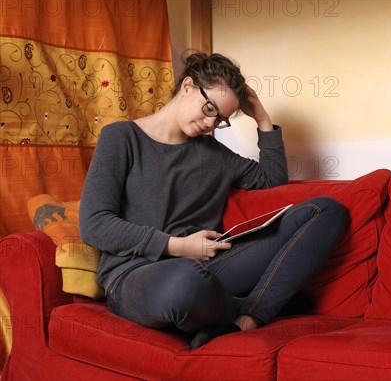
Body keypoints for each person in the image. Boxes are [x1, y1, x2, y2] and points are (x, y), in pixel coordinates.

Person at [79, 52, 349, 349]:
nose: (211, 123)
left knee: (326, 210)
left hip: (210, 267)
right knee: (185, 282)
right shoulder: (121, 138)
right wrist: (178, 246)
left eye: (220, 119)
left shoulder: (216, 156)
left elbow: (273, 179)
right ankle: (262, 302)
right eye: (209, 109)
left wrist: (261, 116)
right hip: (136, 275)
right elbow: (94, 224)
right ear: (187, 87)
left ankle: (249, 317)